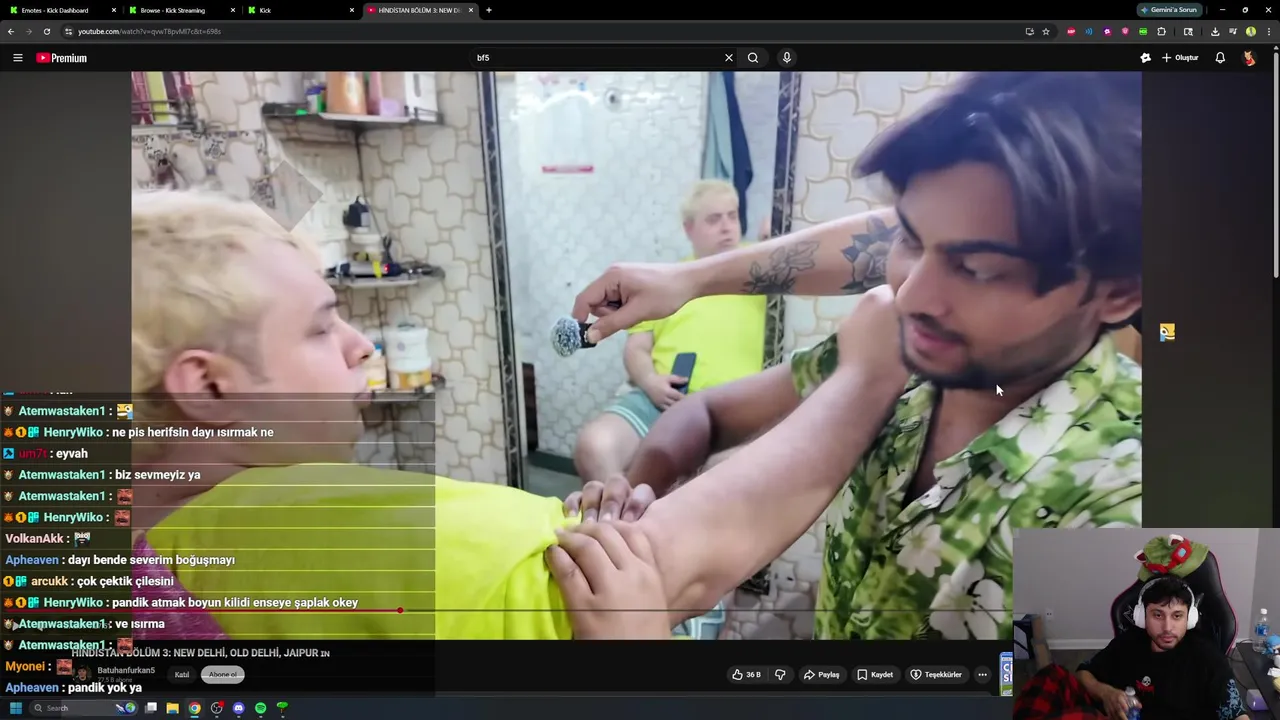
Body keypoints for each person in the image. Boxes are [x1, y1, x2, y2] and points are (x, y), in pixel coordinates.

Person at [126, 190, 902, 642]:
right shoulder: (326, 539)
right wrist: (867, 378)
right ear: (209, 386)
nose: (362, 345)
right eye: (323, 327)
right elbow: (677, 565)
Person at [564, 72, 1144, 641]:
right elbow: (708, 414)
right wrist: (631, 509)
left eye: (977, 269)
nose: (910, 296)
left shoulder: (1121, 505)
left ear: (1118, 291)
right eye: (910, 239)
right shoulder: (905, 348)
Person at [573, 179, 767, 488]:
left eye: (732, 216)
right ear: (689, 229)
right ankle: (622, 510)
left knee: (720, 472)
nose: (727, 227)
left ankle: (645, 513)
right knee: (594, 446)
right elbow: (636, 348)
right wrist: (650, 382)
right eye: (714, 219)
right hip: (664, 400)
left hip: (733, 407)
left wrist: (778, 237)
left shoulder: (760, 270)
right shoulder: (666, 280)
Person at [1014, 576, 1248, 720]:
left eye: (1177, 616)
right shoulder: (1129, 642)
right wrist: (1106, 693)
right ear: (1141, 616)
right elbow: (1083, 674)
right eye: (1157, 615)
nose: (1167, 627)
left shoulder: (1207, 657)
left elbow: (1236, 714)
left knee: (1085, 716)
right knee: (1052, 676)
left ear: (1189, 619)